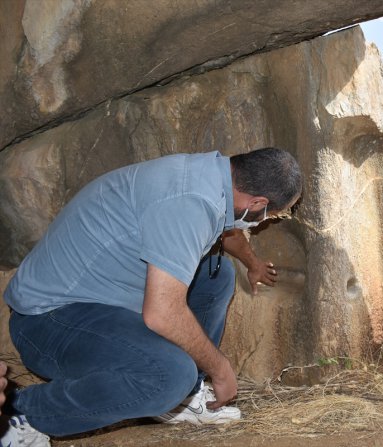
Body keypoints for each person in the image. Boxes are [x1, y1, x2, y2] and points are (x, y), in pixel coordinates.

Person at [0, 147, 302, 446]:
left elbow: (227, 232)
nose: (263, 221)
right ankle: (25, 412)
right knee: (168, 376)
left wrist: (253, 264)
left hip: (92, 302)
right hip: (46, 322)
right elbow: (162, 314)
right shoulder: (190, 203)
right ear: (257, 202)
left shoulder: (211, 177)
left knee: (217, 270)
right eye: (272, 214)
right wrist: (220, 370)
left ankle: (183, 397)